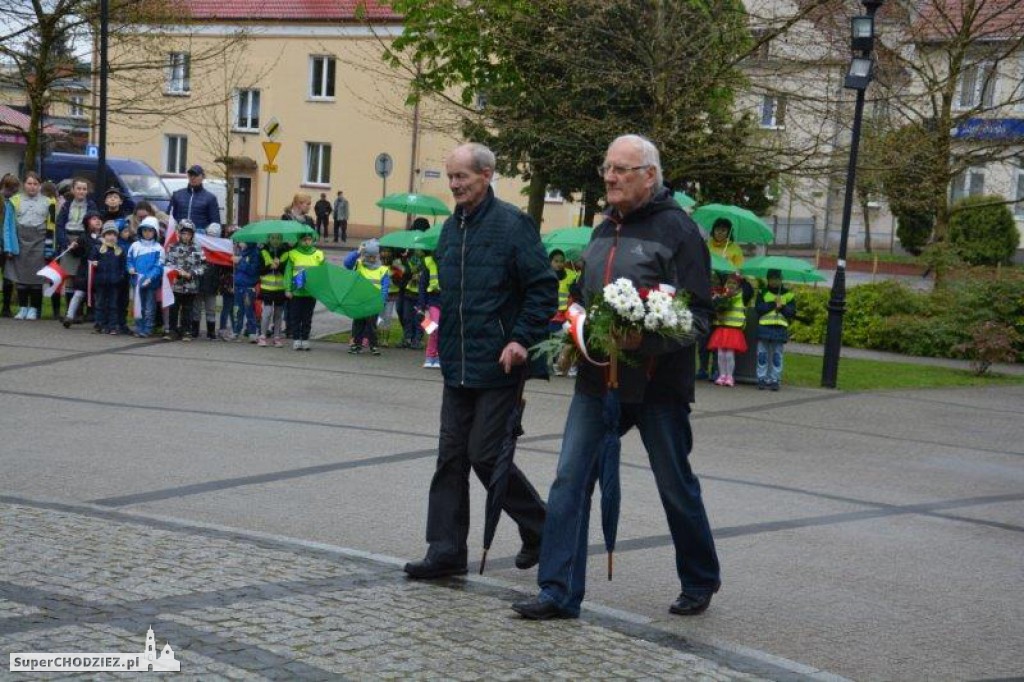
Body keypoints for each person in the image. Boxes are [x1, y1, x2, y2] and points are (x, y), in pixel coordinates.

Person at [512, 134, 719, 620]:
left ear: (650, 175)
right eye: (606, 168)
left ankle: (700, 577)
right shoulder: (602, 227)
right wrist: (575, 328)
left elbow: (700, 317)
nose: (609, 177)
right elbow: (585, 297)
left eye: (621, 169)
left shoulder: (680, 231)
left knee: (674, 484)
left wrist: (643, 341)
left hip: (657, 387)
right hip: (596, 380)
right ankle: (559, 591)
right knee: (569, 481)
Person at [403, 142, 556, 581]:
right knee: (450, 458)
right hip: (457, 363)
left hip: (501, 364)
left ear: (486, 176)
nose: (454, 185)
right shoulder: (450, 230)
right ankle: (446, 550)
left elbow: (543, 288)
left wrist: (522, 339)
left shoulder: (514, 225)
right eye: (450, 177)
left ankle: (542, 527)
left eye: (462, 178)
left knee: (486, 455)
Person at [4, 172, 57, 320]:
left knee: (36, 279)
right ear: (23, 185)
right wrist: (9, 247)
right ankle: (22, 308)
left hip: (39, 242)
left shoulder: (49, 202)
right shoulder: (14, 201)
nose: (32, 187)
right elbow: (8, 225)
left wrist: (49, 248)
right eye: (29, 183)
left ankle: (34, 309)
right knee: (20, 278)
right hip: (20, 242)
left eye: (35, 184)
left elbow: (52, 226)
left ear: (40, 185)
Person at [343, 239, 389, 356]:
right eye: (370, 257)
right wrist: (358, 252)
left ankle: (373, 345)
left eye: (374, 257)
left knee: (371, 325)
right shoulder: (359, 265)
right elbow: (347, 263)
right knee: (358, 324)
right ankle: (356, 345)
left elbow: (384, 287)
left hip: (373, 302)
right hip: (359, 301)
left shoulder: (382, 270)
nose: (372, 259)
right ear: (366, 256)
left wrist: (382, 301)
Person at [755, 268, 796, 391]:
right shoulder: (762, 292)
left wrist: (782, 307)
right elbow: (759, 309)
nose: (774, 281)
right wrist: (773, 304)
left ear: (781, 279)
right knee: (762, 354)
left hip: (779, 328)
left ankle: (775, 379)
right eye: (771, 279)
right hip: (764, 328)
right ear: (768, 280)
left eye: (777, 279)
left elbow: (791, 313)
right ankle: (761, 378)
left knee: (777, 355)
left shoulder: (788, 294)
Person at [62, 210, 103, 328]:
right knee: (79, 294)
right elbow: (77, 253)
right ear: (87, 223)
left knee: (99, 296)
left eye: (99, 219)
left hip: (99, 271)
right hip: (85, 271)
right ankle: (69, 316)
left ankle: (100, 320)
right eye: (94, 219)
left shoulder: (105, 237)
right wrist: (74, 247)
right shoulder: (83, 237)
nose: (98, 221)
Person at [164, 220, 204, 341]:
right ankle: (172, 330)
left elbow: (202, 266)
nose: (186, 236)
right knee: (174, 309)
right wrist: (177, 271)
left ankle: (186, 330)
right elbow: (167, 263)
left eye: (189, 234)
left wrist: (191, 274)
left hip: (190, 286)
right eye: (184, 233)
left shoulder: (197, 248)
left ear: (192, 235)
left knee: (188, 309)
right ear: (179, 234)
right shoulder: (173, 247)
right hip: (176, 285)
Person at [284, 232, 325, 350]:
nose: (306, 242)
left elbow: (322, 274)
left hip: (311, 292)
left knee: (307, 317)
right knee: (295, 316)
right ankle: (296, 339)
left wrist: (320, 289)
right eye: (304, 240)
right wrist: (288, 289)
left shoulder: (318, 254)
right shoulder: (293, 254)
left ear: (312, 240)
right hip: (296, 292)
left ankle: (305, 338)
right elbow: (288, 273)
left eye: (309, 239)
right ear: (299, 240)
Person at [707, 272, 748, 387]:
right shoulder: (721, 295)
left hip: (733, 328)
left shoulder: (740, 295)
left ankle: (730, 376)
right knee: (720, 354)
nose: (731, 285)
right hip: (723, 327)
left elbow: (748, 289)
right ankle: (722, 375)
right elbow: (716, 305)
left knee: (729, 354)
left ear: (738, 285)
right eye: (729, 282)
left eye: (734, 283)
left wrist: (742, 277)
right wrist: (719, 308)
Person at [126, 217, 164, 337]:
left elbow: (159, 266)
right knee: (138, 306)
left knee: (149, 307)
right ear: (141, 231)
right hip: (136, 282)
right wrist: (130, 268)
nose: (147, 233)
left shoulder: (159, 248)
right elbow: (129, 260)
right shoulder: (134, 246)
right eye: (145, 230)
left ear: (155, 232)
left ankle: (148, 328)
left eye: (150, 230)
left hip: (150, 284)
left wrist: (150, 278)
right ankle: (139, 327)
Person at [89, 222, 128, 334]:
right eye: (109, 234)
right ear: (104, 235)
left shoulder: (119, 251)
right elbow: (91, 260)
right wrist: (94, 263)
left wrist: (120, 277)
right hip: (101, 282)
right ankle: (99, 324)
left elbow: (122, 267)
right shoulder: (98, 249)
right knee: (100, 303)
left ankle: (112, 326)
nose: (111, 237)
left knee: (113, 305)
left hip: (114, 283)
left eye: (114, 235)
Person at [257, 233, 290, 347]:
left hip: (280, 288)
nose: (275, 241)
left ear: (281, 239)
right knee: (267, 312)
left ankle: (277, 337)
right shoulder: (263, 251)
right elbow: (259, 270)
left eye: (278, 238)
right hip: (267, 288)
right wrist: (270, 267)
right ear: (269, 239)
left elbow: (287, 271)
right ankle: (262, 335)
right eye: (273, 238)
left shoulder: (286, 252)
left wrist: (279, 265)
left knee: (278, 314)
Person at [193, 223, 224, 340]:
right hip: (199, 282)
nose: (212, 237)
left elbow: (223, 268)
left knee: (211, 309)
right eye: (210, 234)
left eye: (215, 235)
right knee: (196, 308)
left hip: (212, 284)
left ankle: (211, 332)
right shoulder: (199, 245)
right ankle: (194, 330)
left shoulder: (220, 248)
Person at [168, 165, 220, 232]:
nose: (192, 178)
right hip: (179, 237)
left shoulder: (210, 198)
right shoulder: (177, 195)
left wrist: (209, 231)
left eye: (196, 175)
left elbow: (215, 222)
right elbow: (169, 216)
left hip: (199, 238)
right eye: (190, 175)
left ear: (203, 177)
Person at [231, 239, 261, 342]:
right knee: (238, 310)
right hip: (239, 287)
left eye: (242, 241)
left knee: (249, 310)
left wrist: (241, 261)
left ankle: (252, 332)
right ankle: (236, 331)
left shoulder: (255, 254)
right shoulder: (241, 253)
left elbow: (253, 270)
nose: (240, 243)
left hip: (248, 287)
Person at [1, 173, 22, 317]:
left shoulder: (14, 201)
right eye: (10, 188)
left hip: (8, 244)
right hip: (2, 242)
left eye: (14, 189)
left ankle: (6, 307)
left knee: (8, 277)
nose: (11, 192)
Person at [418, 249, 441, 368]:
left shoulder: (451, 262)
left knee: (443, 330)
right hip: (433, 301)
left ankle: (438, 356)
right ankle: (430, 355)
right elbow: (422, 285)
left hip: (447, 301)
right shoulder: (428, 263)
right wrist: (422, 305)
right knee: (433, 327)